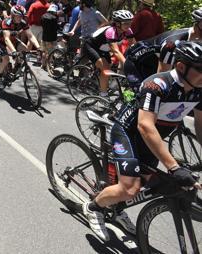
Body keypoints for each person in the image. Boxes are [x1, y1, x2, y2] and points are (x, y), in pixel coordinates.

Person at [82, 41, 202, 243]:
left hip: (152, 136)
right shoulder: (157, 85)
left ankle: (117, 207)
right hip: (128, 131)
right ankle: (94, 207)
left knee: (147, 181)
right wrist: (174, 167)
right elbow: (145, 126)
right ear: (181, 67)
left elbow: (200, 125)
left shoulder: (198, 89)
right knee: (130, 188)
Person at [123, 7, 202, 90]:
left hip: (154, 61)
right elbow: (162, 76)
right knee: (150, 92)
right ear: (196, 24)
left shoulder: (196, 42)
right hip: (135, 61)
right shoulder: (173, 43)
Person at [0, 5, 41, 83]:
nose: (20, 18)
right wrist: (14, 51)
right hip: (0, 41)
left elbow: (30, 36)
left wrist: (38, 47)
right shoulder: (7, 22)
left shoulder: (23, 23)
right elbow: (6, 39)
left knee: (25, 50)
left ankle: (15, 69)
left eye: (22, 16)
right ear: (13, 15)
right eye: (18, 16)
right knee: (6, 60)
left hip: (13, 39)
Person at [40, 4, 59, 70]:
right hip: (51, 38)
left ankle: (43, 64)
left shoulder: (43, 16)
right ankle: (49, 66)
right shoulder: (54, 18)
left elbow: (41, 25)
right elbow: (56, 28)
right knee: (50, 52)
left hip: (44, 37)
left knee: (44, 52)